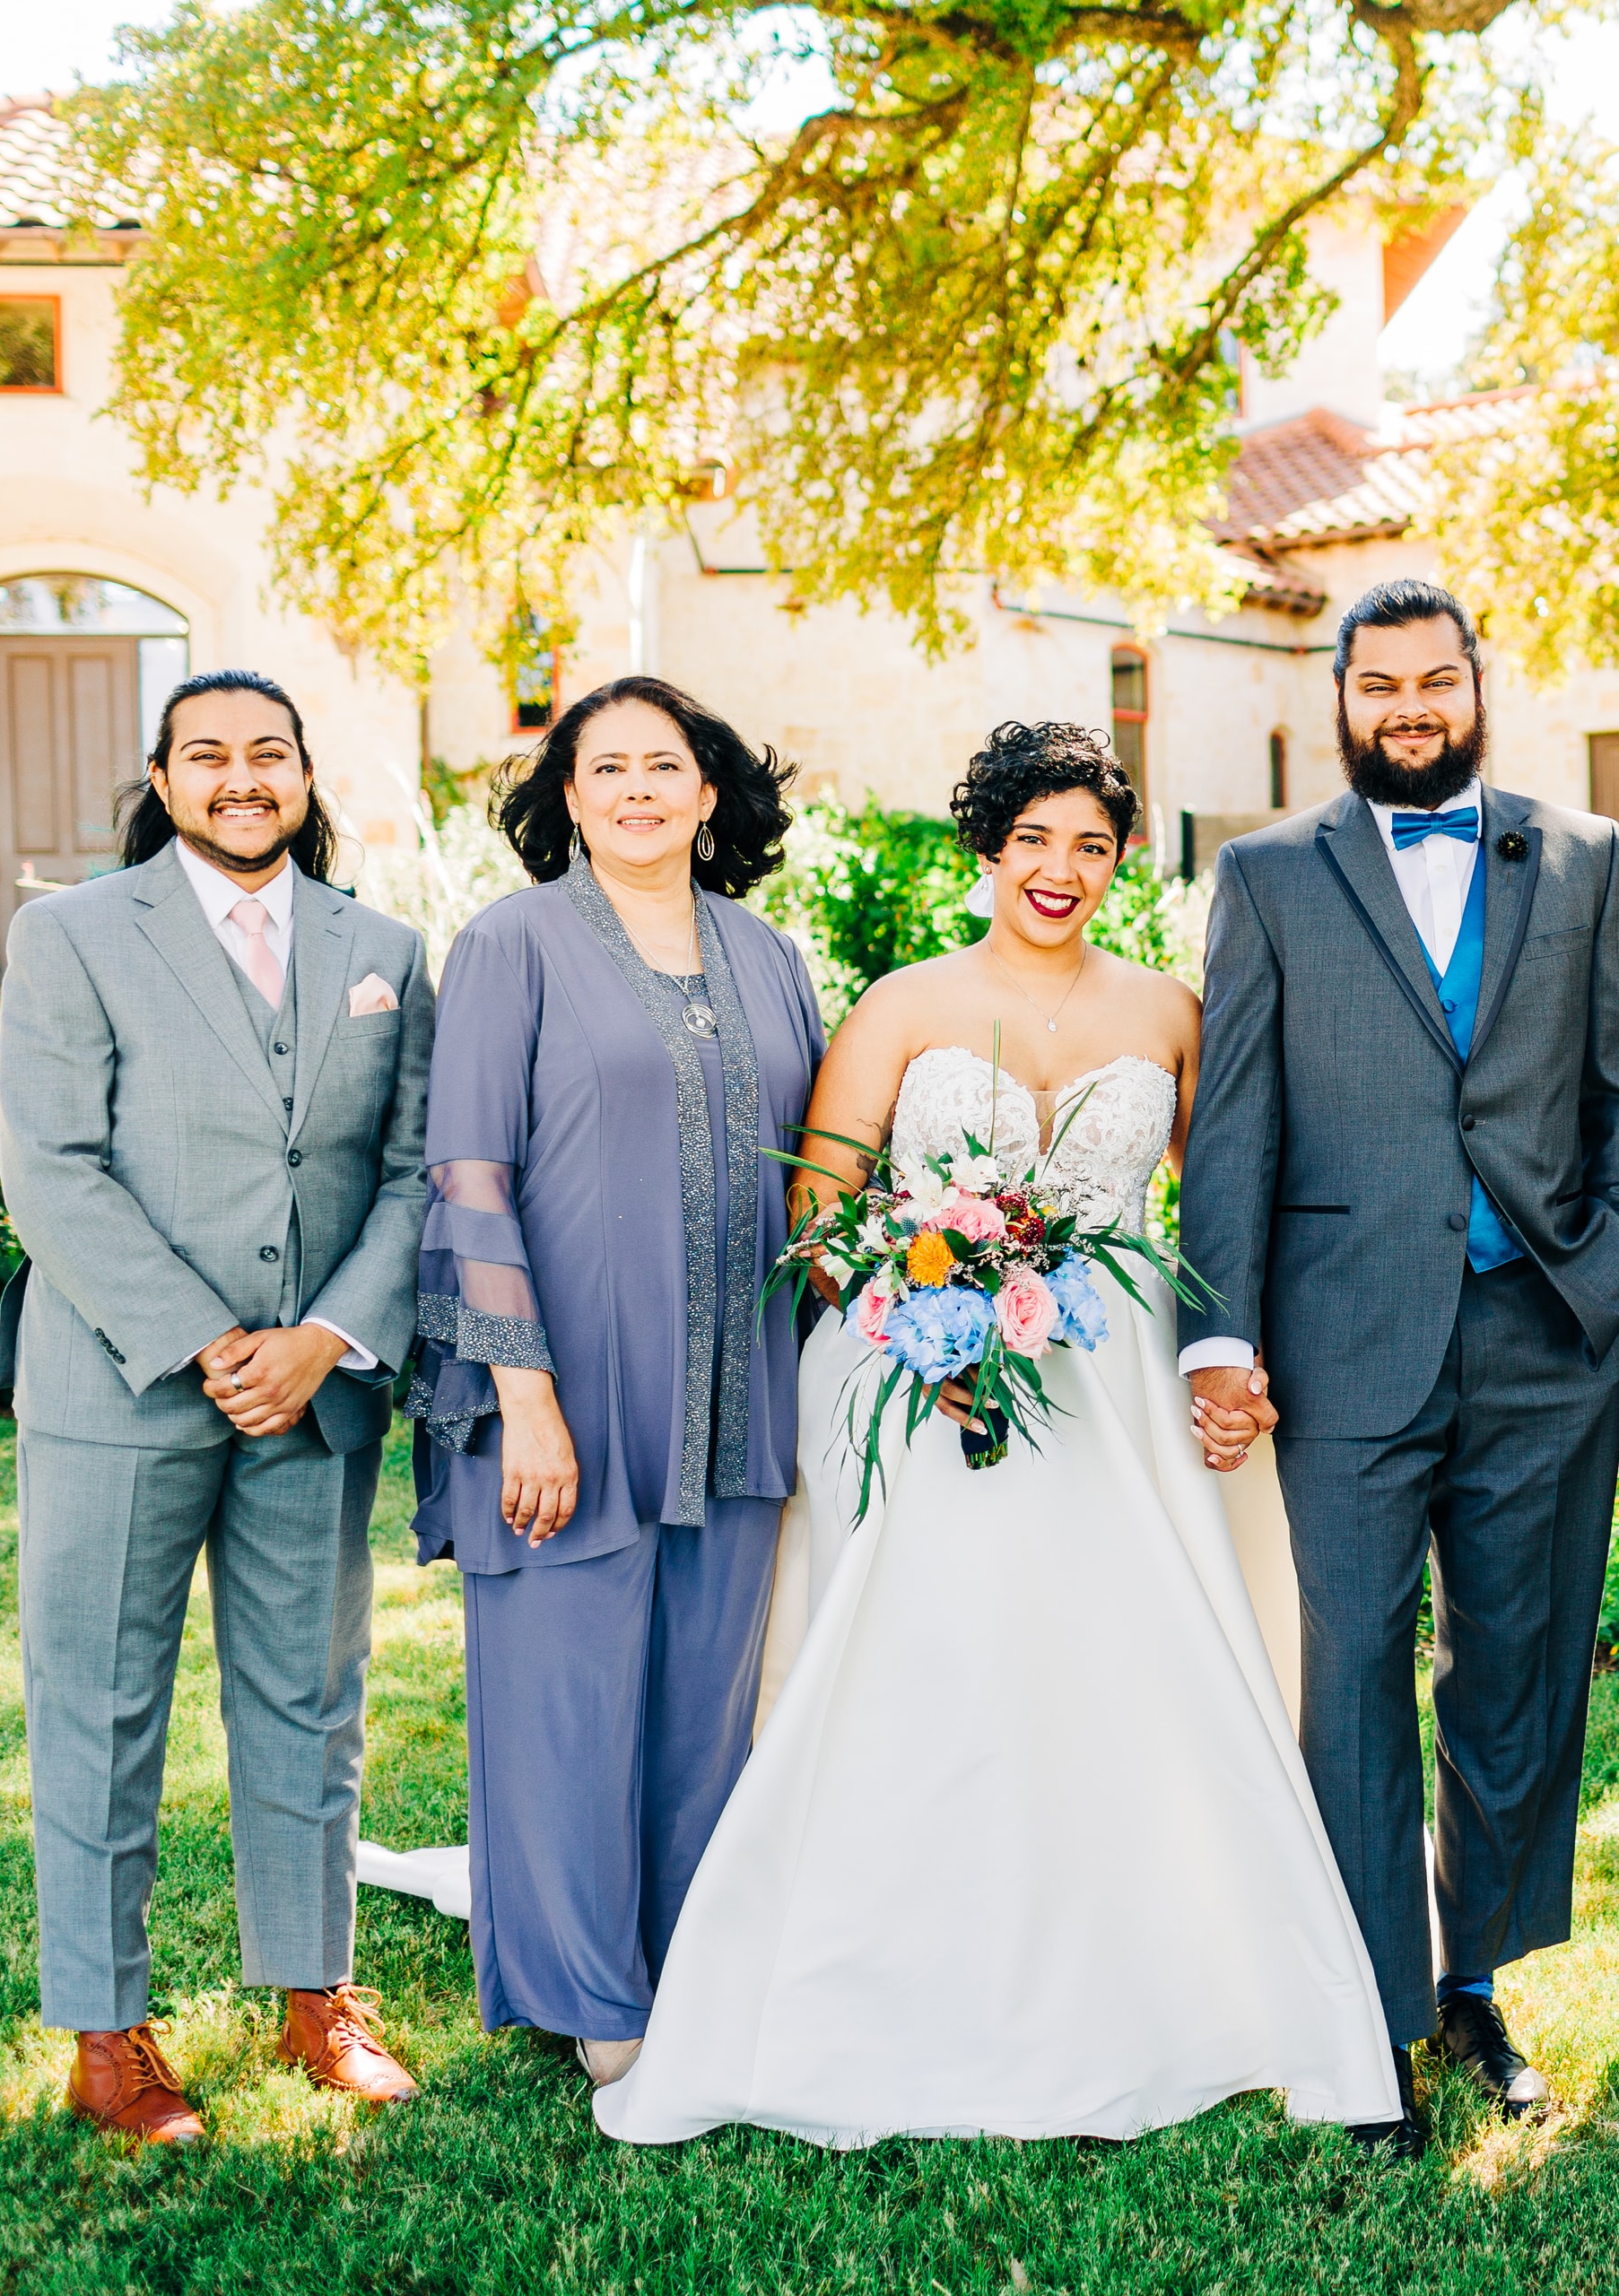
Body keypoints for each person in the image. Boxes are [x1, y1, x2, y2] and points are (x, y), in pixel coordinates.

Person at [595, 722, 1403, 2149]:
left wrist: (1239, 1357)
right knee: (932, 1665)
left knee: (1127, 1668)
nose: (1062, 869)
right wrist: (924, 1321)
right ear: (987, 847)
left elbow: (1225, 1196)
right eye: (1034, 839)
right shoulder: (903, 1005)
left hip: (1116, 1400)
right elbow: (822, 1214)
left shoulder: (1168, 1011)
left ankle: (1160, 1963)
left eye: (1092, 845)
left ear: (1118, 864)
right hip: (924, 1390)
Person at [1177, 578, 1619, 2148]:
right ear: (1341, 698)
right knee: (1356, 1679)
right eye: (1379, 684)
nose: (1409, 708)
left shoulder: (1581, 855)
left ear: (1477, 684)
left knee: (1517, 1673)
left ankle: (1479, 1988)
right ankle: (1368, 2004)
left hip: (1548, 1336)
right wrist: (1220, 1330)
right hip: (1344, 1346)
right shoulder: (1266, 875)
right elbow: (1235, 1119)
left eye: (1434, 682)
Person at [0, 668, 435, 2144]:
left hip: (315, 1397)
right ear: (163, 776)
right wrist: (204, 1340)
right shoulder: (69, 935)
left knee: (310, 1702)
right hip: (121, 1386)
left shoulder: (382, 948)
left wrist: (320, 1340)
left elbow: (406, 1172)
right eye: (209, 755)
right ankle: (110, 2031)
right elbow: (51, 1165)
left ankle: (317, 1996)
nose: (241, 777)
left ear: (305, 774)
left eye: (269, 753)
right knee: (101, 1703)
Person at [404, 675, 825, 2088]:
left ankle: (687, 1960)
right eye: (609, 769)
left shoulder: (769, 954)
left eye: (668, 765)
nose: (639, 790)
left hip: (736, 1391)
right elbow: (468, 1173)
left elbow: (816, 1173)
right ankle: (591, 1991)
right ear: (567, 798)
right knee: (567, 1696)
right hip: (568, 1394)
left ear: (713, 793)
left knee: (707, 1702)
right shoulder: (512, 945)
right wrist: (524, 1396)